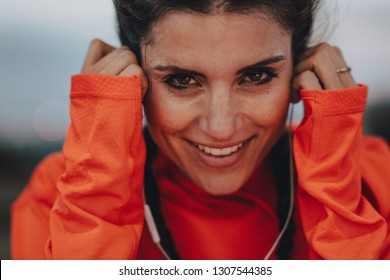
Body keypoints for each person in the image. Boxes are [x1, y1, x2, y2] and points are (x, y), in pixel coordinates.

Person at [11, 0, 390, 260]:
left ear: (299, 73)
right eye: (181, 80)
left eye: (257, 76)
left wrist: (339, 195)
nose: (221, 127)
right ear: (134, 77)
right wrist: (98, 188)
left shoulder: (374, 180)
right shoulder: (62, 196)